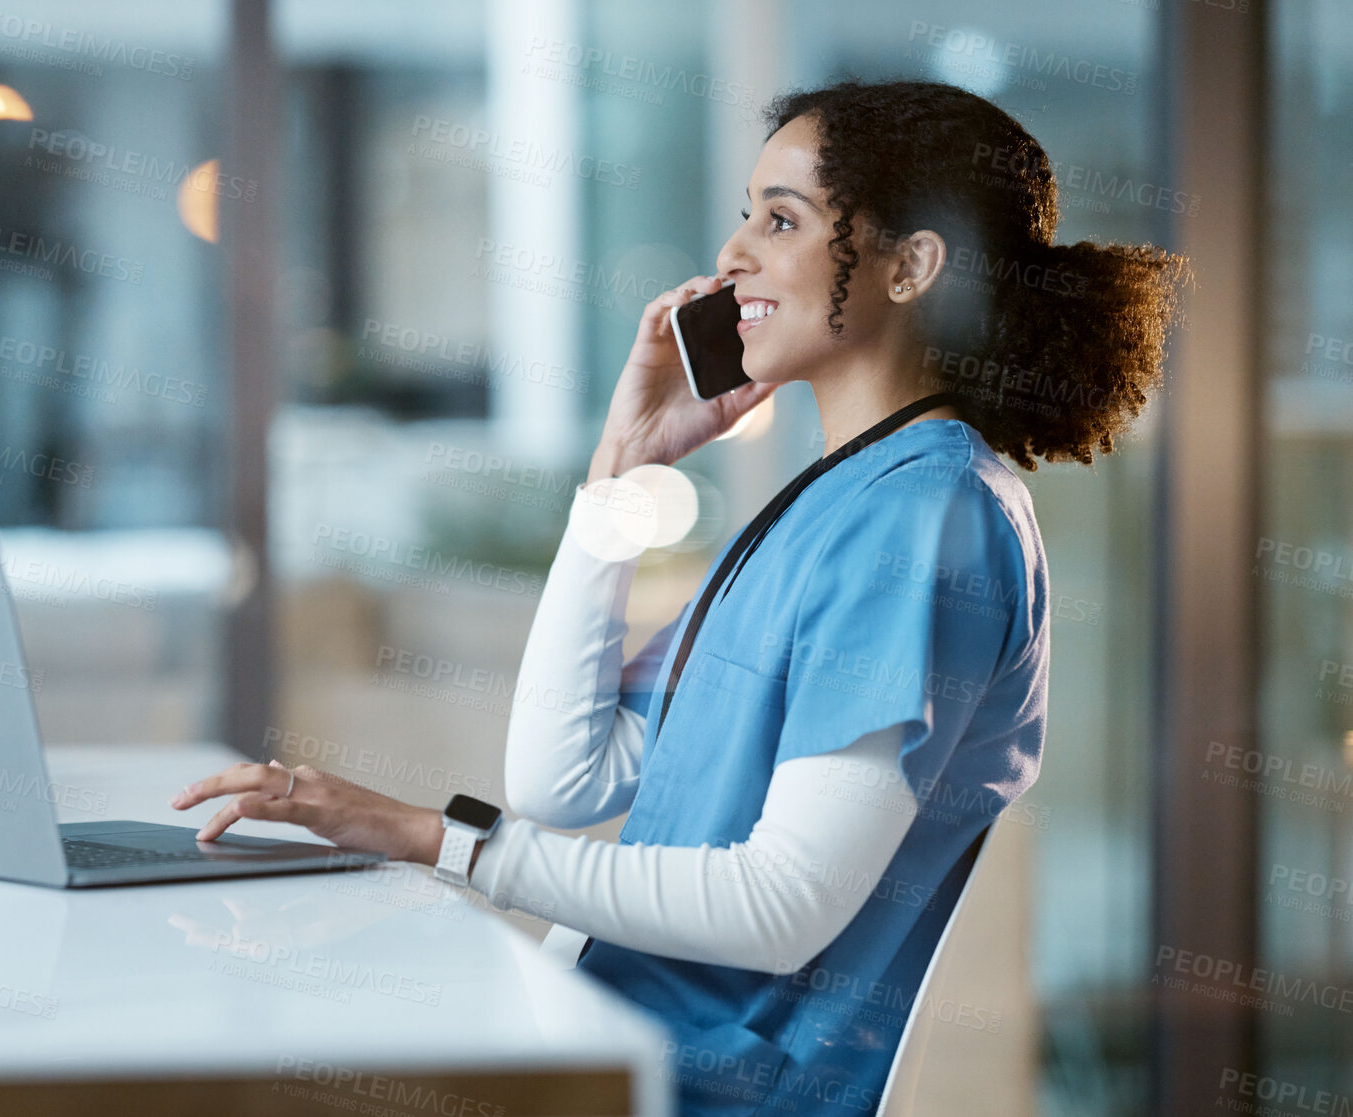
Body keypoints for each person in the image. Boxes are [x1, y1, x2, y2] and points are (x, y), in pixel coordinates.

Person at [171, 78, 1186, 1115]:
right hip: (615, 1049)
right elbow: (563, 777)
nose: (734, 251)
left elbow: (779, 905)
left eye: (780, 218)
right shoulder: (827, 502)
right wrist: (620, 469)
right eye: (746, 212)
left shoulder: (923, 519)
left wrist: (426, 835)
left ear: (908, 264)